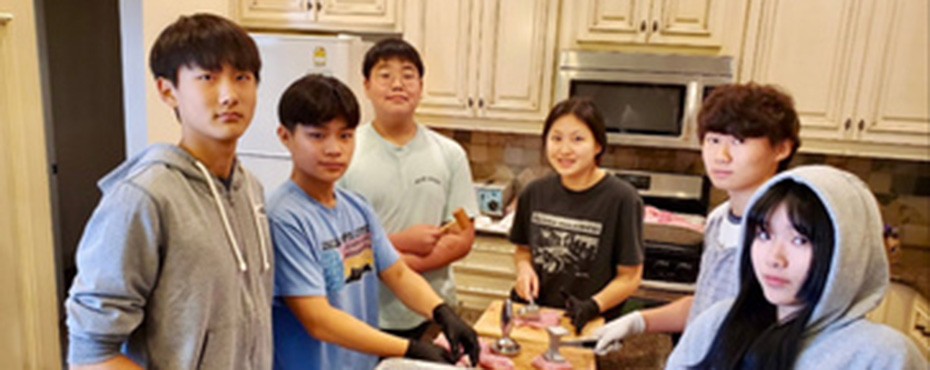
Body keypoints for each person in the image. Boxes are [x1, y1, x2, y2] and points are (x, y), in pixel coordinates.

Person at [65, 13, 272, 369]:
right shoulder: (143, 196)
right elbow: (92, 352)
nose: (229, 95)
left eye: (242, 77)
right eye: (207, 77)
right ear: (167, 90)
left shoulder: (249, 188)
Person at [268, 74, 480, 370]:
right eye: (317, 135)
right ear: (285, 137)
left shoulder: (357, 207)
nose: (334, 149)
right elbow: (318, 320)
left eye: (345, 135)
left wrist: (442, 312)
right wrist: (410, 349)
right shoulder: (284, 216)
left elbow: (398, 274)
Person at [593, 83, 801, 352]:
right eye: (714, 140)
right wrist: (637, 321)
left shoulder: (791, 235)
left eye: (738, 141)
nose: (721, 156)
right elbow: (706, 306)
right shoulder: (718, 220)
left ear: (781, 149)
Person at [666, 165, 927, 369]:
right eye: (764, 235)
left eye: (800, 240)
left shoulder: (882, 355)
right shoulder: (717, 323)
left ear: (847, 252)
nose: (774, 258)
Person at [338, 38, 479, 340]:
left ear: (421, 86)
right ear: (366, 86)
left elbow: (463, 234)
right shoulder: (343, 152)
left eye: (408, 75)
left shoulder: (449, 153)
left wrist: (402, 266)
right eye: (385, 75)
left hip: (434, 312)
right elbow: (336, 241)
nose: (397, 84)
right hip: (364, 313)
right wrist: (403, 243)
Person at [510, 98, 645, 333]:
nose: (564, 150)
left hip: (591, 324)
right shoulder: (534, 192)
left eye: (578, 139)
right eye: (556, 138)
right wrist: (524, 270)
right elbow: (523, 249)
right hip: (534, 316)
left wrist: (593, 305)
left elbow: (630, 276)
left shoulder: (622, 199)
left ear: (598, 145)